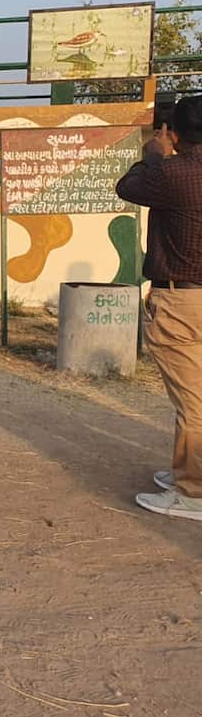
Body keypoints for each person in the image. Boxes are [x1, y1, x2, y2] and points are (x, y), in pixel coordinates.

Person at [115, 96, 202, 520]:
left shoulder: (171, 173)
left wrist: (153, 154)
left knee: (192, 402)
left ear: (174, 134)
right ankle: (188, 471)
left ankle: (193, 493)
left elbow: (126, 186)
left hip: (180, 299)